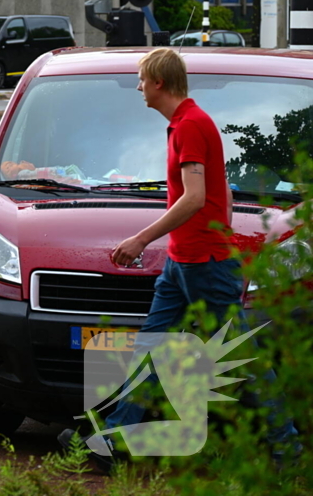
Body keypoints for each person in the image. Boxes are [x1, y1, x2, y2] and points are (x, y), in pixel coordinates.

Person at [58, 47, 298, 471]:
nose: (138, 88)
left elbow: (195, 197)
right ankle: (112, 440)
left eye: (141, 80)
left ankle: (287, 447)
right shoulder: (189, 123)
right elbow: (218, 195)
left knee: (240, 357)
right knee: (149, 350)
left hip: (202, 264)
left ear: (159, 83)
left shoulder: (190, 125)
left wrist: (139, 239)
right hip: (183, 261)